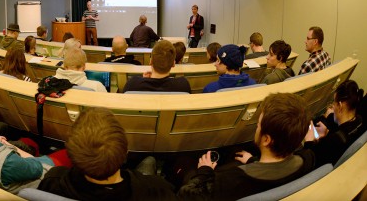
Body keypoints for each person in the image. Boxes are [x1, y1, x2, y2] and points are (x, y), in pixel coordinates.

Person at [178, 93, 314, 201]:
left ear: (266, 140)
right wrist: (252, 161)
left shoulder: (230, 180)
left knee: (183, 164)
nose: (257, 127)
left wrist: (205, 170)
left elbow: (187, 195)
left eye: (259, 124)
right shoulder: (308, 158)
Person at [39, 108, 178, 201]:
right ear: (126, 153)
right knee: (149, 161)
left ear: (71, 156)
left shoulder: (53, 180)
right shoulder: (157, 190)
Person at [304, 80, 365, 167]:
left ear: (340, 105)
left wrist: (308, 141)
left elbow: (310, 161)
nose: (333, 106)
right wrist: (327, 133)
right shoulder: (359, 120)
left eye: (334, 102)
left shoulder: (335, 140)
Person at [123, 40, 191, 93]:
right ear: (173, 64)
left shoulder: (132, 84)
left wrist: (143, 81)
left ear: (150, 61)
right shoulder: (183, 85)